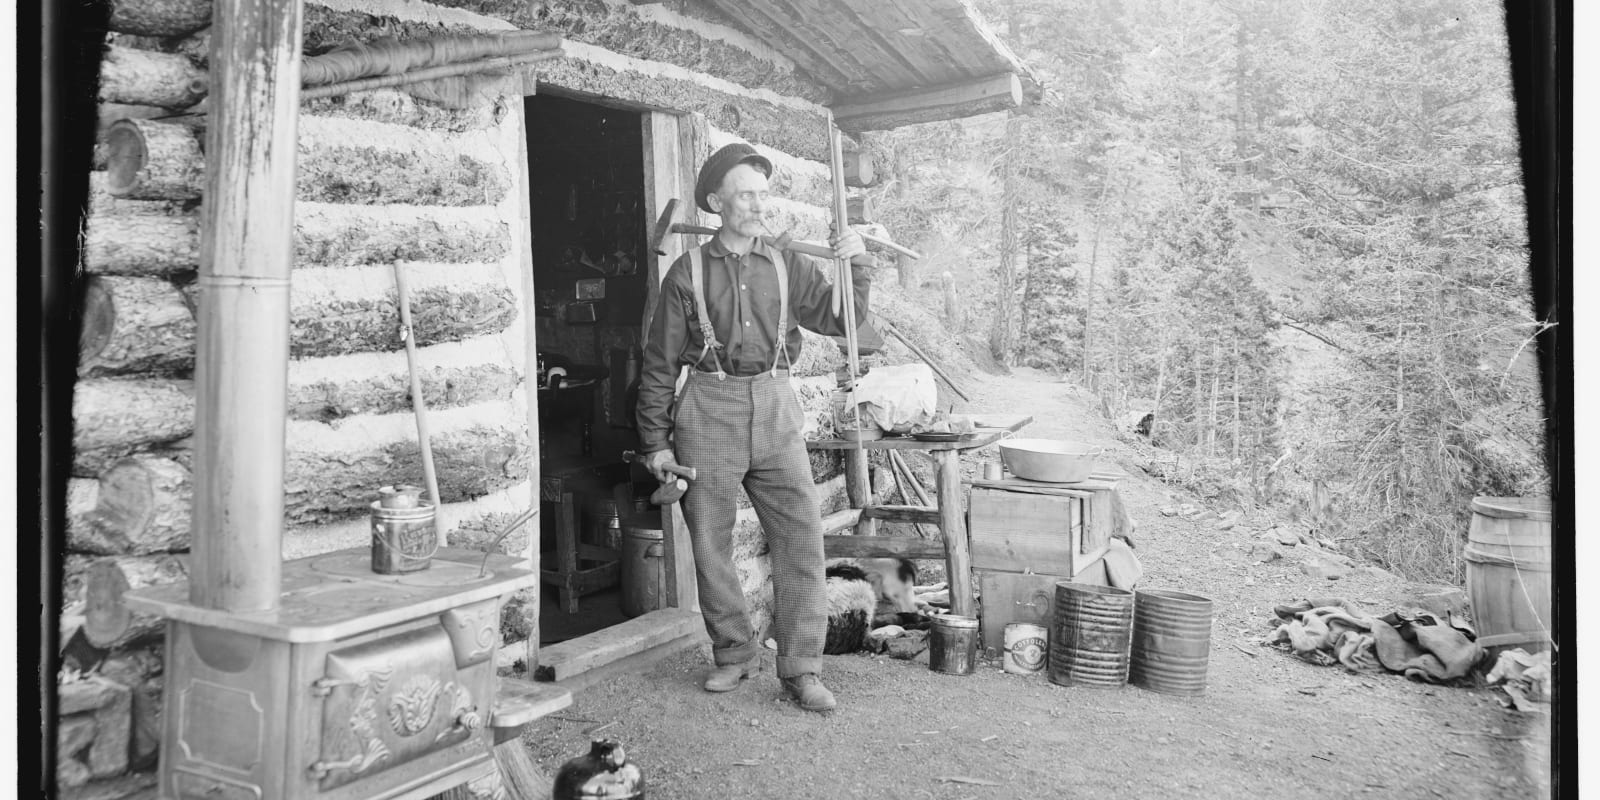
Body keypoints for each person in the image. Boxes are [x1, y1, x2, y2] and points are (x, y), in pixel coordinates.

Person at [635, 142, 870, 712]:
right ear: (717, 201)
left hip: (775, 405)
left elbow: (842, 320)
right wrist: (655, 444)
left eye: (762, 194)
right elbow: (660, 364)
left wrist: (855, 265)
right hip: (708, 407)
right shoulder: (686, 274)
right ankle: (734, 654)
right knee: (711, 540)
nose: (757, 204)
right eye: (745, 194)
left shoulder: (788, 263)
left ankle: (801, 667)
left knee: (800, 537)